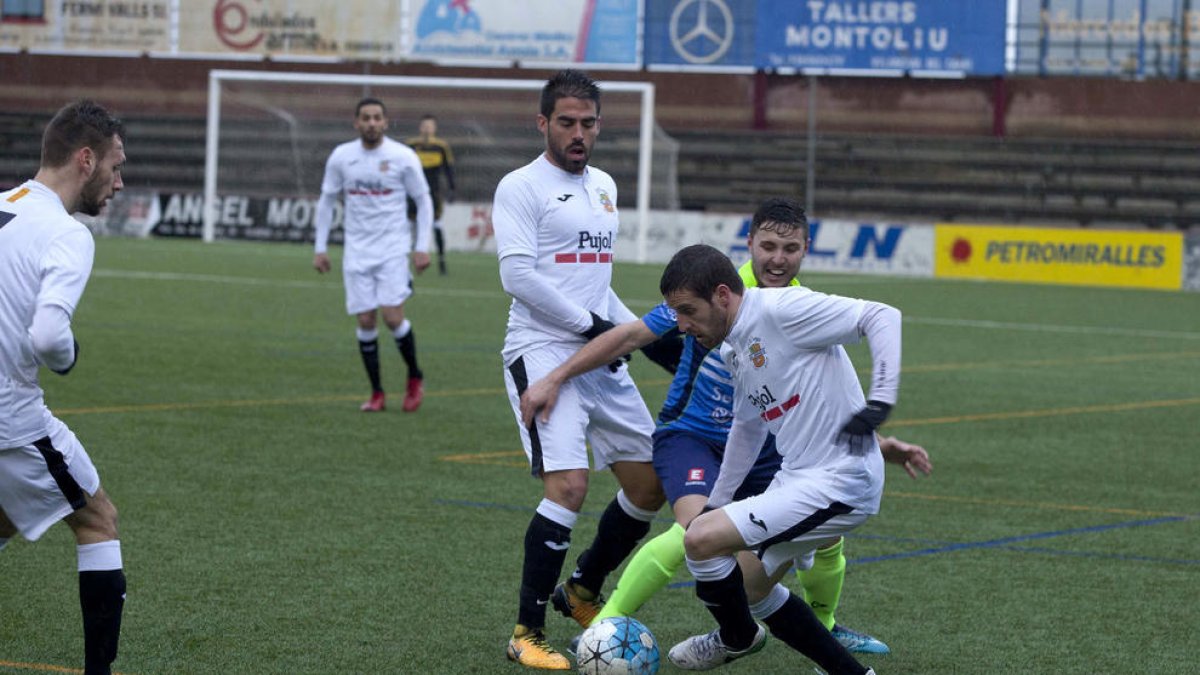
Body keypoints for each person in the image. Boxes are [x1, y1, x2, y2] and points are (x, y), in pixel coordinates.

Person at [520, 197, 930, 656]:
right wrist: (556, 376)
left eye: (790, 248)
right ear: (749, 242)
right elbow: (633, 335)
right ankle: (608, 623)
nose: (778, 258)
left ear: (805, 249)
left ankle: (817, 625)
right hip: (692, 434)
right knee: (694, 534)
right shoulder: (709, 288)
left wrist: (876, 439)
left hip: (760, 442)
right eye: (768, 246)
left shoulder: (793, 302)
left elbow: (814, 395)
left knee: (818, 539)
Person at [651, 230, 902, 673]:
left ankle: (737, 637)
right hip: (800, 477)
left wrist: (880, 400)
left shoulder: (782, 309)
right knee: (752, 590)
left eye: (688, 311)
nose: (682, 326)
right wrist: (718, 501)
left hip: (841, 480)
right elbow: (747, 427)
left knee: (700, 541)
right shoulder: (734, 346)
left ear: (723, 295)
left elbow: (881, 316)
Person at [493, 69, 666, 671]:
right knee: (568, 486)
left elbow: (597, 282)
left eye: (587, 123)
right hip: (541, 349)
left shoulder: (605, 187)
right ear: (543, 123)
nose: (577, 133)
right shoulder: (520, 186)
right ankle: (525, 632)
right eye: (565, 121)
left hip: (598, 353)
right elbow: (517, 276)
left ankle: (583, 591)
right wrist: (599, 331)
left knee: (649, 484)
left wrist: (645, 335)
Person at [0, 100, 128, 675]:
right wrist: (68, 355)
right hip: (11, 421)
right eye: (115, 166)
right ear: (85, 159)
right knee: (97, 518)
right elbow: (50, 335)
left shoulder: (3, 206)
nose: (118, 182)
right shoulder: (67, 234)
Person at [313, 97, 433, 413]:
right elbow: (326, 202)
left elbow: (423, 200)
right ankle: (377, 392)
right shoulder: (342, 157)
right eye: (365, 118)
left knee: (393, 317)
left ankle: (414, 376)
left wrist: (422, 246)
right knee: (366, 320)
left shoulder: (402, 156)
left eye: (376, 117)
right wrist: (320, 247)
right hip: (356, 251)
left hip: (392, 249)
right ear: (356, 123)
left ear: (386, 122)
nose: (371, 123)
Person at [405, 114, 456, 275]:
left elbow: (449, 170)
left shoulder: (441, 147)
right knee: (409, 228)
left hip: (433, 194)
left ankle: (442, 263)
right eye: (424, 125)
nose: (427, 129)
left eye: (430, 126)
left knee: (436, 226)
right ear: (420, 128)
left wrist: (452, 189)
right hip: (412, 194)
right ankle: (405, 262)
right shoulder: (411, 145)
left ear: (434, 128)